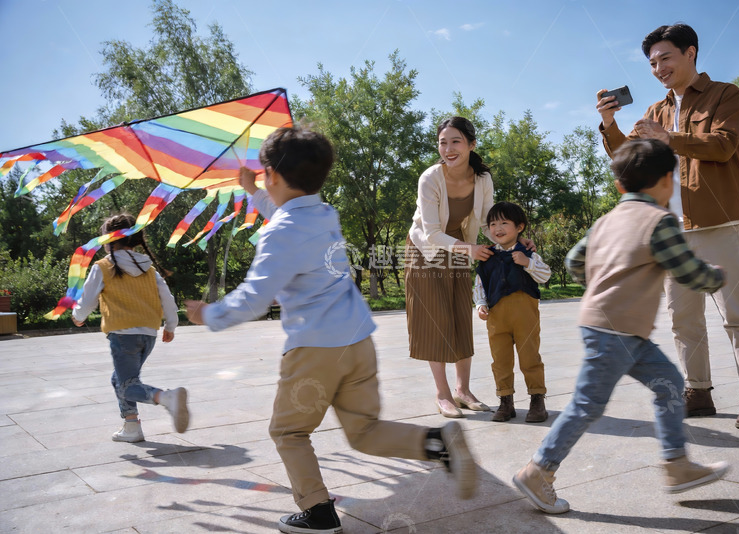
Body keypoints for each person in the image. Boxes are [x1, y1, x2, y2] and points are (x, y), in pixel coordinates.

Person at [185, 127, 476, 534]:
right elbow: (288, 212)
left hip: (314, 350)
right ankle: (439, 443)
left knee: (288, 431)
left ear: (272, 175)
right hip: (357, 341)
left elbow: (254, 298)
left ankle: (318, 513)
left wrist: (209, 315)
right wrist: (255, 191)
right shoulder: (324, 214)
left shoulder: (280, 232)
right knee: (365, 432)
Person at [513, 139, 730, 514]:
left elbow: (574, 261)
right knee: (587, 404)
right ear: (668, 180)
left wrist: (601, 283)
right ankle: (538, 470)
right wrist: (716, 276)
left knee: (669, 383)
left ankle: (676, 464)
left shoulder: (604, 221)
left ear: (619, 186)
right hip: (616, 333)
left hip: (619, 331)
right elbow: (689, 272)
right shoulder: (661, 221)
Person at [596, 23, 739, 429]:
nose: (658, 68)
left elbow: (723, 145)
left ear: (690, 52)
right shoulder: (654, 112)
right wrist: (609, 125)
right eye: (652, 63)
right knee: (683, 320)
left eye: (665, 58)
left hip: (718, 221)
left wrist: (669, 138)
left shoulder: (725, 94)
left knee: (738, 315)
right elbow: (629, 160)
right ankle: (698, 390)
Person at [405, 116, 533, 418]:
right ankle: (443, 394)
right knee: (435, 320)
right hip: (427, 251)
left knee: (461, 317)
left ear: (471, 144)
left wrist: (515, 239)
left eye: (456, 141)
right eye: (443, 143)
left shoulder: (482, 179)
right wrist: (470, 250)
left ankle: (463, 390)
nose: (448, 149)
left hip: (462, 247)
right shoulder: (430, 178)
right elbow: (432, 233)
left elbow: (489, 223)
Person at [71, 214, 188, 443]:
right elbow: (167, 299)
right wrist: (171, 325)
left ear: (109, 239)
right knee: (120, 380)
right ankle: (131, 426)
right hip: (148, 334)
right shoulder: (149, 269)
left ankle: (166, 398)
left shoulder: (103, 266)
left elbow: (87, 300)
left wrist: (78, 316)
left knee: (126, 387)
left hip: (123, 335)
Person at [473, 201, 552, 423]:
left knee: (530, 358)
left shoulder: (528, 253)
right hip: (497, 317)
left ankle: (537, 400)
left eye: (504, 223)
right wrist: (480, 303)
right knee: (500, 360)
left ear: (519, 227)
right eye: (493, 224)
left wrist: (527, 263)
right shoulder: (487, 256)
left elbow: (545, 275)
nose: (497, 228)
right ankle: (505, 401)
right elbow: (480, 284)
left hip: (525, 316)